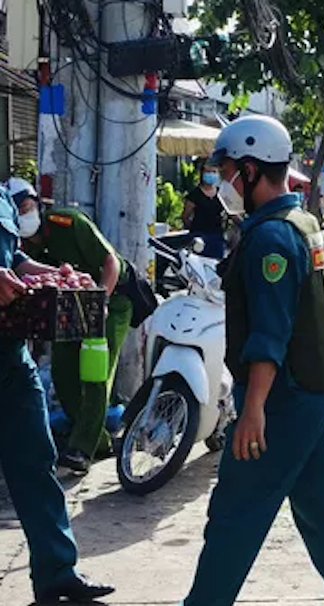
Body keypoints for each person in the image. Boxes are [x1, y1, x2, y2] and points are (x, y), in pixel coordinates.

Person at [181, 115, 324, 606]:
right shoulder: (301, 222)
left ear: (249, 169)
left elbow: (271, 332)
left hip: (284, 401)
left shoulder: (269, 238)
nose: (220, 183)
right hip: (316, 393)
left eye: (224, 172)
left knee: (235, 515)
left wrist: (252, 411)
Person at [0, 181, 115, 603]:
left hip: (10, 358)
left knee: (36, 463)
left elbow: (12, 258)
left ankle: (56, 572)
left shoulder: (0, 195)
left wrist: (45, 273)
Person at [8, 178, 133, 473]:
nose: (24, 216)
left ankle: (81, 450)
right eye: (18, 211)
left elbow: (110, 261)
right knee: (64, 374)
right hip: (69, 307)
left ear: (37, 204)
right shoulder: (18, 244)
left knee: (95, 374)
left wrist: (101, 300)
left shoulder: (68, 222)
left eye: (27, 207)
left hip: (111, 302)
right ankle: (99, 442)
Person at [182, 158, 228, 259]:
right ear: (202, 173)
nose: (211, 174)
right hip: (199, 236)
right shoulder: (194, 194)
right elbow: (185, 216)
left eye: (214, 171)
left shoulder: (222, 193)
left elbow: (231, 213)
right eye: (208, 171)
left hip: (217, 237)